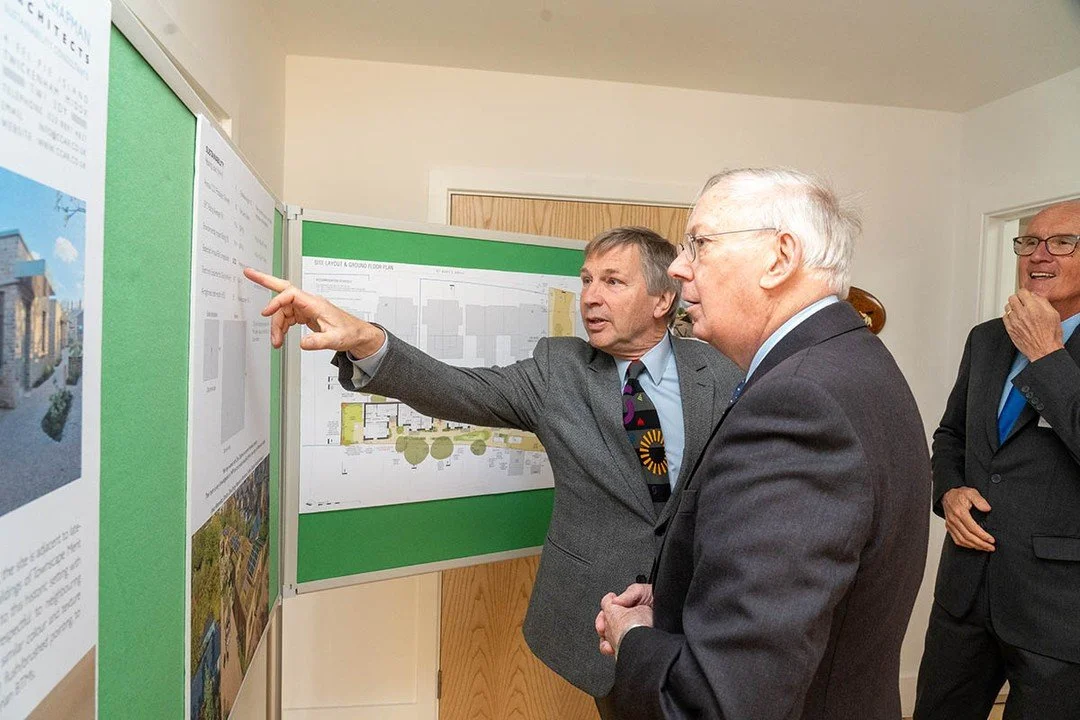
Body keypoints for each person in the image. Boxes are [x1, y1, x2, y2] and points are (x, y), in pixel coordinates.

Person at [245, 226, 741, 708]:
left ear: (662, 300)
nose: (590, 296)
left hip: (703, 613)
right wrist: (366, 340)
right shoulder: (557, 370)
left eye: (613, 281)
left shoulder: (720, 371)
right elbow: (457, 389)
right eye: (586, 279)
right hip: (603, 623)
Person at [595, 168, 931, 719]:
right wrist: (679, 601)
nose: (678, 268)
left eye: (698, 244)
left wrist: (634, 637)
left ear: (779, 257)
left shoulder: (799, 403)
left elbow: (722, 702)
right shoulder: (849, 359)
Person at [914, 200, 1080, 720]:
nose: (1038, 255)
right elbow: (952, 434)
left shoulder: (1040, 345)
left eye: (1061, 243)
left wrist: (1048, 356)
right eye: (1028, 242)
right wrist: (950, 490)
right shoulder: (986, 339)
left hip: (1057, 612)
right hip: (964, 594)